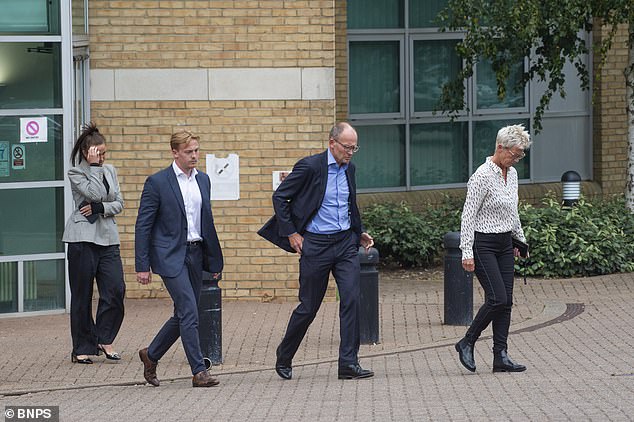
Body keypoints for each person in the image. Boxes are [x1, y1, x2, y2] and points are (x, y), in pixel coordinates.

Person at [258, 122, 375, 380]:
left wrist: (360, 232)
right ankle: (285, 355)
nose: (351, 152)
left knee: (352, 300)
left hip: (345, 243)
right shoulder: (310, 167)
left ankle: (348, 363)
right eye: (347, 147)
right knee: (309, 307)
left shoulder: (350, 169)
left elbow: (348, 203)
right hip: (317, 245)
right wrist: (291, 233)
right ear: (332, 143)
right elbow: (281, 198)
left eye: (355, 147)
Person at [135, 129, 223, 388]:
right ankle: (199, 371)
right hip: (169, 255)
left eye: (196, 150)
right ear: (175, 153)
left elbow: (206, 222)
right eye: (189, 152)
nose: (194, 156)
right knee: (188, 310)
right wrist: (143, 265)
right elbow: (143, 225)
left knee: (185, 313)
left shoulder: (203, 180)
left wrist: (213, 261)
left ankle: (150, 355)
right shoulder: (158, 182)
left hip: (196, 253)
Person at [455, 124, 531, 373]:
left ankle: (501, 355)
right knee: (497, 298)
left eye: (521, 155)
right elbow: (468, 216)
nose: (517, 159)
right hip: (483, 244)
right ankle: (467, 341)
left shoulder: (513, 175)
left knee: (506, 301)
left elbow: (513, 211)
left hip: (504, 243)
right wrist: (466, 251)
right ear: (500, 147)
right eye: (515, 154)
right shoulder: (482, 175)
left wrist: (520, 240)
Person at [62, 123, 125, 364]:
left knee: (116, 290)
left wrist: (102, 209)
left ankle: (104, 337)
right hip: (82, 239)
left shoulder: (111, 171)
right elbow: (96, 194)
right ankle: (82, 347)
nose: (103, 157)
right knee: (82, 295)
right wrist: (95, 168)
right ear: (88, 153)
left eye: (104, 153)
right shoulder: (76, 173)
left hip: (108, 239)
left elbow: (118, 203)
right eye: (98, 153)